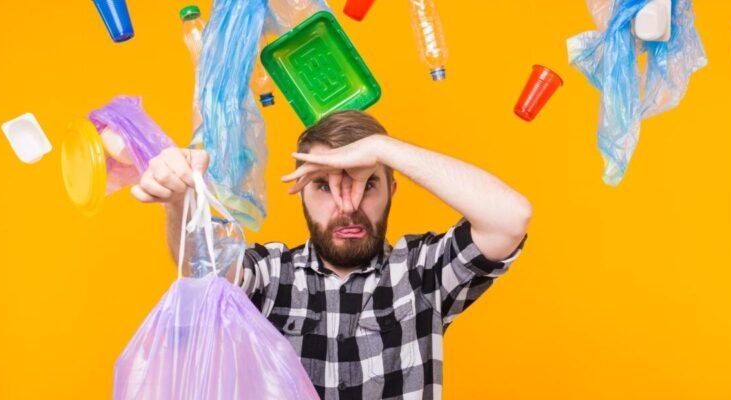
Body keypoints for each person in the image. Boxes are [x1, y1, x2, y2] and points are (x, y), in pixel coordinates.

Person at [131, 110, 532, 400]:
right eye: (323, 186)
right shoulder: (271, 276)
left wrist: (383, 149)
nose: (347, 205)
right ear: (300, 195)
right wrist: (181, 200)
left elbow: (510, 219)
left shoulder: (421, 273)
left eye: (366, 183)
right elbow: (205, 273)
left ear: (392, 190)